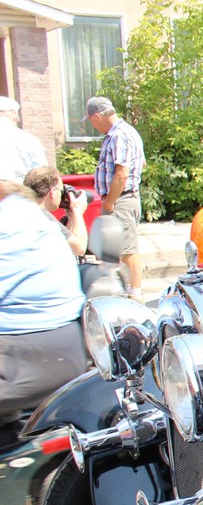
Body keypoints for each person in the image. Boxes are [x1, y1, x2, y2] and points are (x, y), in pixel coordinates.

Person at [0, 180, 87, 430]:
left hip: (28, 354)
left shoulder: (10, 223)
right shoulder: (36, 217)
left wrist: (76, 214)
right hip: (64, 344)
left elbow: (80, 246)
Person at [86, 96, 146, 299]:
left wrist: (110, 202)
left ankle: (135, 295)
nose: (93, 126)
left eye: (91, 121)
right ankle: (124, 290)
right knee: (118, 250)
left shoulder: (119, 135)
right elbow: (142, 164)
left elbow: (122, 173)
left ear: (97, 116)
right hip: (122, 197)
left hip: (121, 199)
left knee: (128, 250)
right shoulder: (126, 132)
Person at [22, 166, 88, 257]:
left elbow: (64, 242)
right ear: (53, 192)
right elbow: (79, 248)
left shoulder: (23, 210)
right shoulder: (43, 218)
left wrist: (72, 215)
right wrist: (77, 210)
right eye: (61, 192)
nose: (61, 196)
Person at [0, 95, 48, 183]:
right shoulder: (29, 139)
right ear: (14, 116)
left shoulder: (29, 139)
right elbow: (40, 172)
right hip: (21, 190)